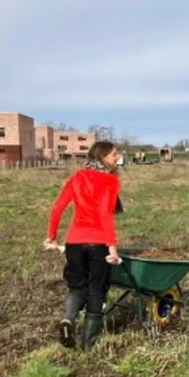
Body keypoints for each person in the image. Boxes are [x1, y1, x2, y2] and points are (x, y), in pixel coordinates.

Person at [44, 141, 121, 350]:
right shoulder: (110, 181)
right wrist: (112, 247)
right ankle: (89, 345)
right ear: (102, 157)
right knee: (96, 290)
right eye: (114, 154)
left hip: (74, 242)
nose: (117, 157)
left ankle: (68, 319)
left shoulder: (77, 177)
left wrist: (51, 236)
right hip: (98, 243)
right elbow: (105, 214)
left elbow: (57, 207)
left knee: (77, 286)